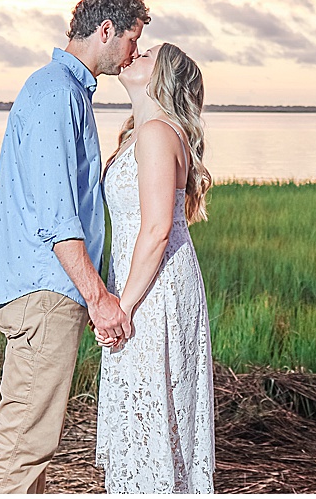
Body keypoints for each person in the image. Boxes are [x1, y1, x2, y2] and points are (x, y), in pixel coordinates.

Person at [0, 0, 149, 494]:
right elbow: (58, 216)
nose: (134, 53)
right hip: (46, 293)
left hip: (43, 291)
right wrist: (99, 299)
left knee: (30, 442)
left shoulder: (62, 89)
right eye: (132, 39)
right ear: (105, 30)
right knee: (24, 445)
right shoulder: (56, 92)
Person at [94, 43, 215, 493]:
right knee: (142, 409)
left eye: (147, 56)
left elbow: (158, 228)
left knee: (153, 408)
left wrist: (121, 306)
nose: (133, 55)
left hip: (155, 286)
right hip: (144, 278)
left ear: (162, 77)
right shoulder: (140, 132)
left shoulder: (159, 133)